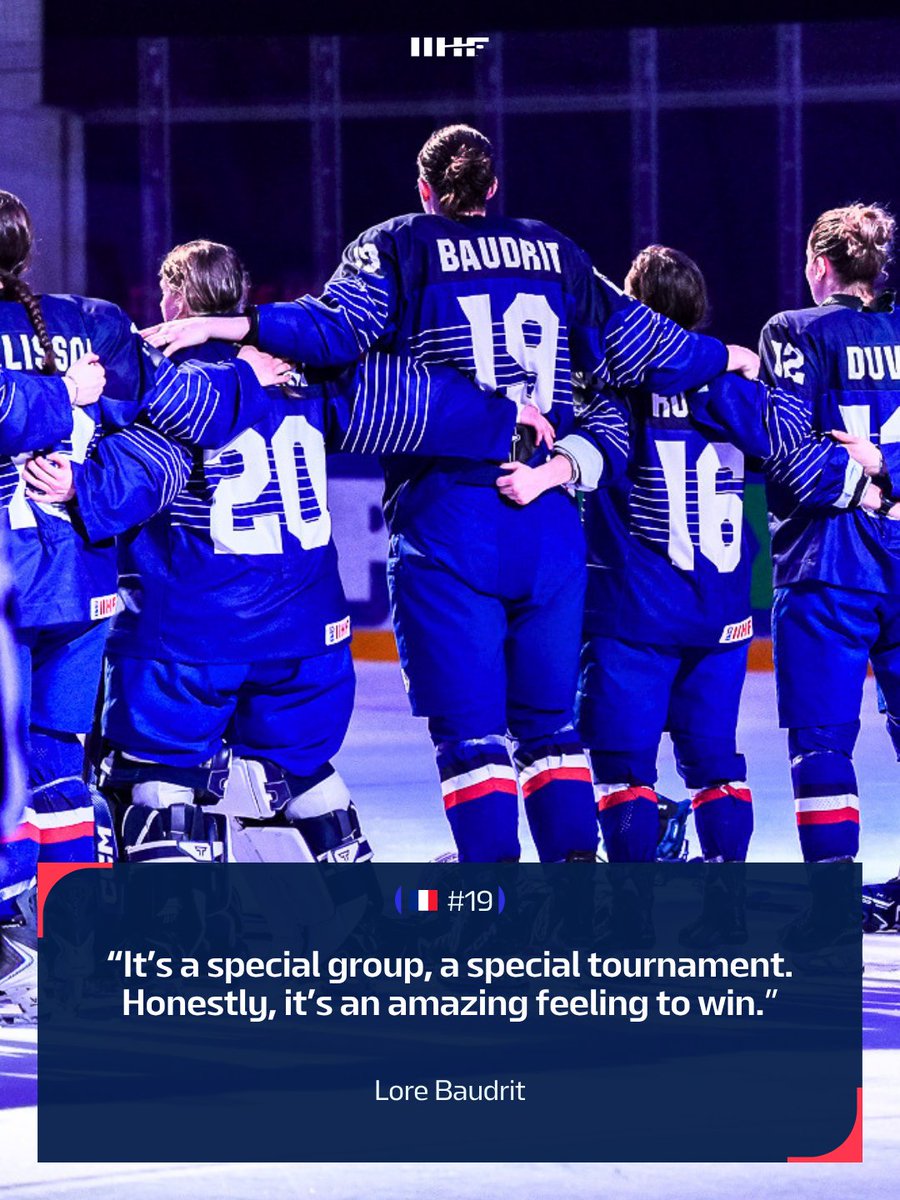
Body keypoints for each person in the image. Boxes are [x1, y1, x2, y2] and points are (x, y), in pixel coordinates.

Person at [141, 125, 757, 864]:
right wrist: (722, 353)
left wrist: (238, 323)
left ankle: (492, 900)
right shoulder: (556, 250)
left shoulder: (401, 242)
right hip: (549, 522)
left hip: (450, 518)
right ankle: (575, 891)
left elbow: (336, 334)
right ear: (493, 188)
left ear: (425, 189)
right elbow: (640, 342)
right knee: (550, 729)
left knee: (471, 735)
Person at [35, 239, 547, 867]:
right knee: (302, 768)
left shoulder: (169, 384)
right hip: (312, 636)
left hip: (192, 635)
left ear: (175, 298)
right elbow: (409, 401)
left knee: (161, 774)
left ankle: (165, 927)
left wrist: (81, 486)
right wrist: (503, 418)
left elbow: (145, 472)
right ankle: (345, 878)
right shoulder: (302, 374)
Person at [0, 191, 292, 964]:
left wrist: (55, 400)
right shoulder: (93, 322)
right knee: (58, 759)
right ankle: (73, 936)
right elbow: (173, 403)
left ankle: (7, 944)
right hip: (82, 584)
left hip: (12, 585)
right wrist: (242, 367)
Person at [498, 245, 813, 941]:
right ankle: (724, 912)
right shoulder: (733, 389)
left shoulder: (614, 384)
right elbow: (793, 440)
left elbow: (582, 453)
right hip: (724, 612)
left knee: (622, 767)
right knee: (715, 761)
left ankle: (634, 917)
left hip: (632, 614)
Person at [756, 202, 900, 936]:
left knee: (821, 741)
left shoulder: (793, 330)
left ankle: (829, 907)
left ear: (821, 264)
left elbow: (784, 451)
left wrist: (864, 480)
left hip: (830, 559)